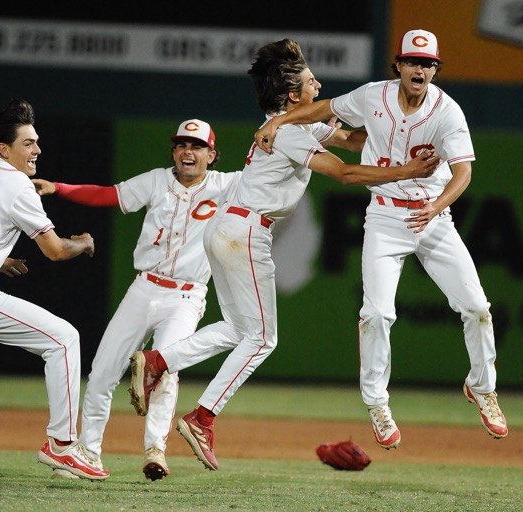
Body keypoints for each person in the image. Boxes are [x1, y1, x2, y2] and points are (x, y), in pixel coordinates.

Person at [127, 38, 440, 471]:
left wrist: (394, 114)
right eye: (312, 81)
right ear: (293, 95)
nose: (320, 85)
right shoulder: (291, 131)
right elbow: (346, 173)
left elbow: (353, 141)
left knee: (239, 329)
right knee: (263, 339)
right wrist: (406, 171)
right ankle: (201, 418)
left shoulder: (296, 123)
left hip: (229, 226)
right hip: (245, 231)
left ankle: (159, 361)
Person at [254, 29, 508, 449]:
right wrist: (279, 119)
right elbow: (323, 107)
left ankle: (482, 388)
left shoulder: (448, 112)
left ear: (435, 69)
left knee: (477, 307)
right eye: (412, 61)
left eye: (427, 64)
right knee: (376, 314)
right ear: (399, 66)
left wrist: (437, 203)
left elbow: (463, 172)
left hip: (434, 217)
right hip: (386, 218)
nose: (419, 69)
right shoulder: (374, 96)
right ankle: (377, 403)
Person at [33, 119, 242, 480]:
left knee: (164, 368)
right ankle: (89, 453)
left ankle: (155, 450)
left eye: (196, 146)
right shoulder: (157, 180)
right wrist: (58, 187)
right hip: (144, 287)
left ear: (212, 154)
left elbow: (271, 173)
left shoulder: (228, 185)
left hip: (186, 296)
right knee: (102, 372)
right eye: (181, 145)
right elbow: (107, 195)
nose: (187, 152)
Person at [0, 98, 108, 480]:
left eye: (37, 142)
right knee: (62, 339)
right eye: (28, 143)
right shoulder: (17, 185)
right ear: (4, 149)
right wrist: (85, 243)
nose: (37, 150)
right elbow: (56, 251)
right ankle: (61, 446)